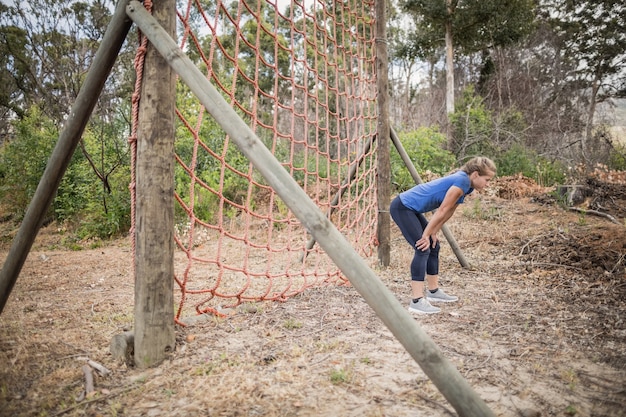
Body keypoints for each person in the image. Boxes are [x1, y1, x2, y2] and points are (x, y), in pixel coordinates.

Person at [390, 156, 497, 314]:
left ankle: (433, 292)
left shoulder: (468, 186)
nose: (487, 184)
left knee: (434, 245)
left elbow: (449, 211)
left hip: (412, 209)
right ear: (475, 175)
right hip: (403, 207)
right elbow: (441, 211)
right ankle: (417, 301)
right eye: (487, 180)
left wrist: (433, 232)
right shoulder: (461, 183)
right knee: (422, 247)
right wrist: (426, 234)